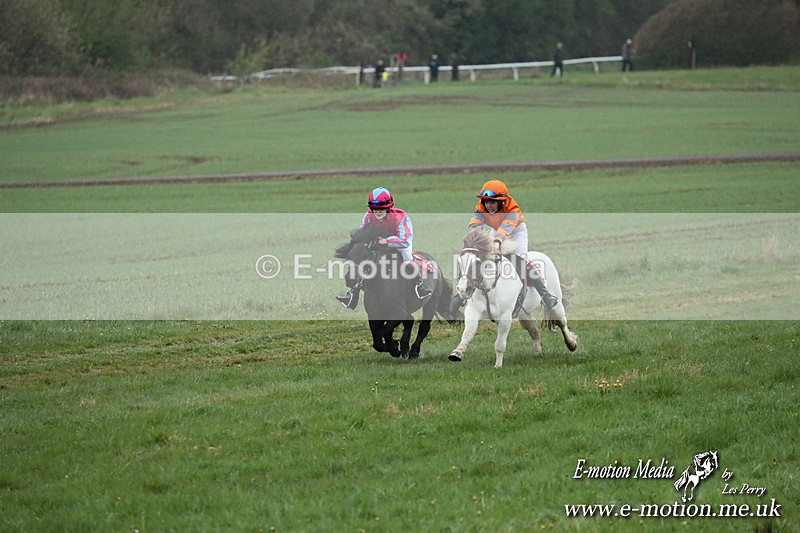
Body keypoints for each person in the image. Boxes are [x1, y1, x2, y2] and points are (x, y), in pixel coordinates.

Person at [449, 179, 559, 316]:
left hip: (516, 231)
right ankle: (463, 293)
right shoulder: (480, 206)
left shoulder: (512, 208)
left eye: (493, 202)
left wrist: (497, 242)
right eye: (486, 202)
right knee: (480, 259)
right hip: (496, 230)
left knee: (520, 260)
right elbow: (475, 226)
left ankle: (545, 295)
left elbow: (506, 228)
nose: (489, 205)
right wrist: (474, 242)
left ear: (502, 201)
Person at [336, 187, 433, 310]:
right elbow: (363, 233)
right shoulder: (368, 216)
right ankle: (352, 294)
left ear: (388, 207)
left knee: (407, 258)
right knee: (363, 262)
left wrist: (386, 241)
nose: (377, 211)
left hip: (399, 243)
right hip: (378, 243)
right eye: (374, 208)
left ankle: (419, 285)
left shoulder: (400, 216)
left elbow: (404, 241)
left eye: (381, 208)